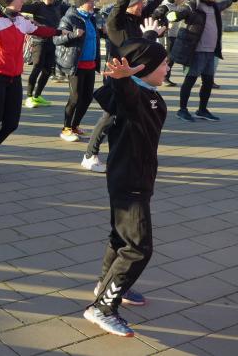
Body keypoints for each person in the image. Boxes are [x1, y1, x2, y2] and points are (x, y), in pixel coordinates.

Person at [84, 38, 169, 337]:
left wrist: (151, 36)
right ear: (144, 69)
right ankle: (103, 308)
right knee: (138, 248)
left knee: (121, 238)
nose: (168, 68)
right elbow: (127, 95)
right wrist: (123, 79)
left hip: (134, 178)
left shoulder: (150, 95)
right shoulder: (132, 97)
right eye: (164, 64)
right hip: (130, 182)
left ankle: (106, 285)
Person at [82, 0, 190, 172]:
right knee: (110, 116)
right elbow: (121, 3)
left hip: (138, 77)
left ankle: (129, 154)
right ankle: (89, 155)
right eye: (137, 3)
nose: (142, 6)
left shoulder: (139, 18)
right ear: (129, 5)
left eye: (142, 3)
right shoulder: (116, 22)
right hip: (118, 76)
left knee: (132, 117)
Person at [0, 0, 64, 182]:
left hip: (14, 78)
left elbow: (39, 30)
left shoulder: (21, 20)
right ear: (10, 0)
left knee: (11, 124)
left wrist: (60, 32)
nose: (23, 0)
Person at [169, 0, 237, 122]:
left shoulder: (213, 6)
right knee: (190, 80)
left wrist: (230, 0)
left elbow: (222, 5)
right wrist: (174, 15)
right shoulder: (193, 5)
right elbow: (182, 11)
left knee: (208, 82)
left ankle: (202, 110)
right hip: (196, 51)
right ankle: (182, 110)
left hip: (210, 52)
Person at [54, 0, 100, 142]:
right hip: (76, 64)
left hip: (90, 64)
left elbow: (93, 37)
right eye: (90, 2)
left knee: (87, 98)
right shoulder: (69, 18)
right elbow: (56, 39)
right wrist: (73, 35)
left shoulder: (91, 18)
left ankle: (75, 126)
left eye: (93, 1)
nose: (93, 4)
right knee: (75, 98)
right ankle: (66, 129)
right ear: (81, 3)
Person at [22, 0, 65, 108]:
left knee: (47, 71)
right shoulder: (37, 6)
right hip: (39, 42)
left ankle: (37, 96)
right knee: (37, 68)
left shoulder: (58, 6)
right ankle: (29, 97)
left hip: (52, 42)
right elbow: (20, 7)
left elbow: (73, 10)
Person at [151, 0, 186, 86]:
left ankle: (165, 77)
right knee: (167, 57)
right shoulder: (165, 7)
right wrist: (164, 25)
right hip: (167, 35)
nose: (182, 1)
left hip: (174, 35)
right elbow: (153, 17)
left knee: (172, 58)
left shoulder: (177, 6)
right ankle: (163, 78)